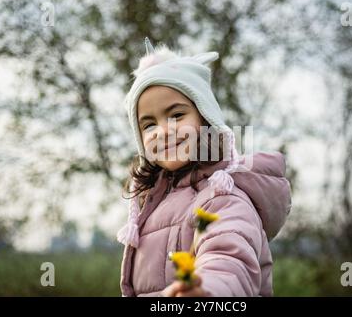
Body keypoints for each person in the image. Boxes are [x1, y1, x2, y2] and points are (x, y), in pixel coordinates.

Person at [117, 37, 292, 297]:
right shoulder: (152, 204)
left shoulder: (222, 197)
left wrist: (207, 292)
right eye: (149, 124)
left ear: (206, 120)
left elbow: (228, 262)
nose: (163, 131)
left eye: (176, 115)